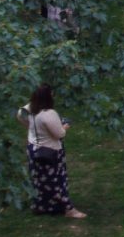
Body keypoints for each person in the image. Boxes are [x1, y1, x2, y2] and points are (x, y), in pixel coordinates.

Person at [18, 84, 85, 218]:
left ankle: (41, 205)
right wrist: (65, 126)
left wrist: (30, 127)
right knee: (57, 181)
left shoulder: (29, 108)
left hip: (33, 149)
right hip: (50, 151)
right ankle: (68, 209)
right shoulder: (48, 114)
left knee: (39, 180)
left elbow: (20, 115)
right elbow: (59, 134)